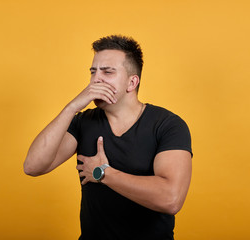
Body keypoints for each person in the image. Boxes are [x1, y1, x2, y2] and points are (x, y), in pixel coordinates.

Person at [24, 35, 193, 240]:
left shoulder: (168, 125)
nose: (96, 79)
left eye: (107, 72)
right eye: (93, 72)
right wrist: (71, 107)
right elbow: (33, 166)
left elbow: (171, 199)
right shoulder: (83, 122)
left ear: (132, 82)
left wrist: (103, 173)